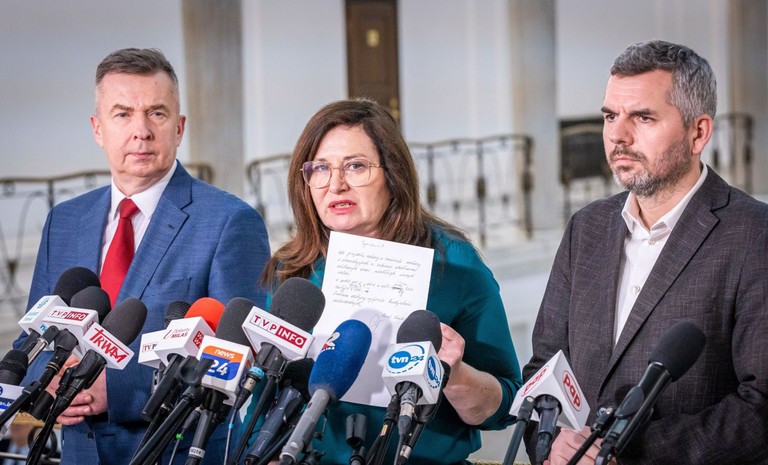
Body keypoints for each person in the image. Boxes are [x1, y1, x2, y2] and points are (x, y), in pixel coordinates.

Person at [13, 48, 270, 465]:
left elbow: (239, 363)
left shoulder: (230, 222)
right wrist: (48, 377)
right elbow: (32, 340)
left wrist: (115, 390)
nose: (142, 131)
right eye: (122, 114)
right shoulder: (64, 220)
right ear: (98, 129)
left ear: (179, 128)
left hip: (176, 452)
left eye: (157, 113)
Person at [524, 40, 768, 465]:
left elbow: (761, 405)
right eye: (610, 116)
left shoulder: (753, 234)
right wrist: (550, 439)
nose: (617, 135)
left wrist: (623, 453)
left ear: (698, 133)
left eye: (643, 117)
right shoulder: (587, 227)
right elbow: (544, 367)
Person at [246, 98, 522, 464]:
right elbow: (261, 407)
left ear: (393, 175)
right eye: (321, 168)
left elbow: (506, 406)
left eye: (356, 166)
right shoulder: (292, 269)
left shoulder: (454, 263)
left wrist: (456, 376)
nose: (336, 185)